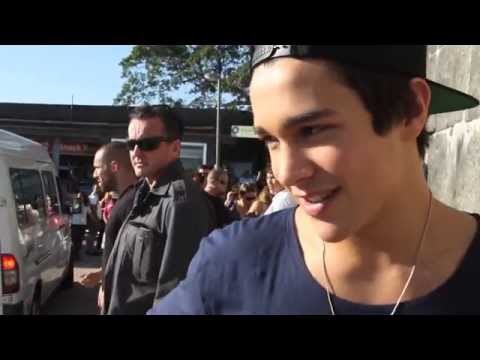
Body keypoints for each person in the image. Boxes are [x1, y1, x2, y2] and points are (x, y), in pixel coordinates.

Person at [148, 45, 480, 315]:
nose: (286, 172)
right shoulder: (233, 266)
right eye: (271, 141)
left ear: (411, 110)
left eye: (312, 130)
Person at [103, 105, 216, 314]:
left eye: (148, 144)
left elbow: (175, 294)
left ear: (175, 148)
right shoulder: (144, 191)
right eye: (131, 144)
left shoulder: (182, 203)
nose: (136, 152)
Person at [80, 141, 137, 313]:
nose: (94, 173)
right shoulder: (126, 200)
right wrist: (102, 276)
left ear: (113, 166)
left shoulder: (133, 203)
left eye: (97, 167)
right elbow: (121, 254)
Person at [70, 192, 97, 260]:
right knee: (75, 240)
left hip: (81, 225)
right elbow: (70, 213)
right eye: (78, 197)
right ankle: (75, 254)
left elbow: (90, 214)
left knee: (79, 240)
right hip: (75, 224)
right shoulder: (75, 205)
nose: (79, 198)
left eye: (81, 197)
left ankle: (76, 254)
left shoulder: (85, 206)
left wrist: (95, 220)